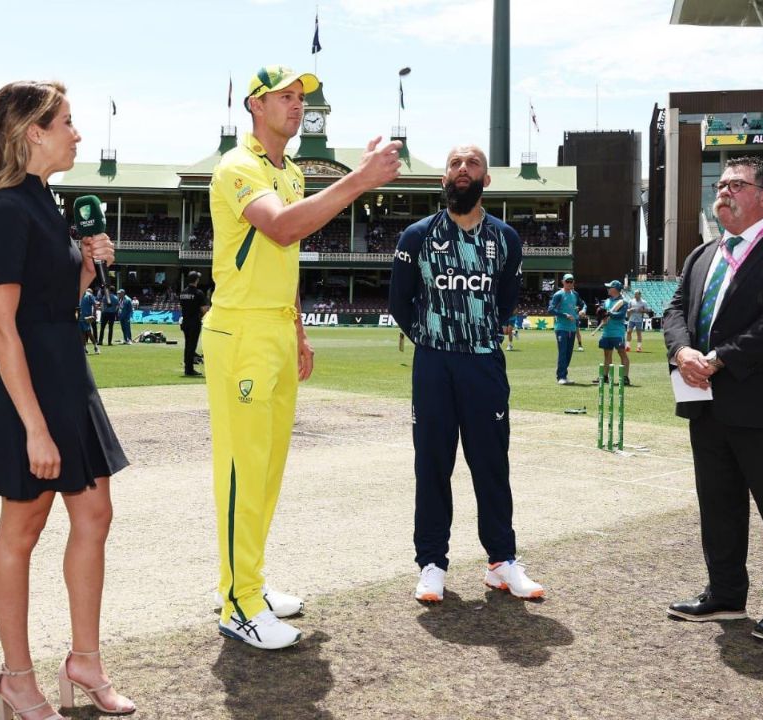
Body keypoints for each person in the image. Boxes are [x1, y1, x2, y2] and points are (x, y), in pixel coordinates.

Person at [205, 64, 401, 650]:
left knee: (266, 472)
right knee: (242, 473)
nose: (296, 105)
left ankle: (250, 584)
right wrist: (359, 181)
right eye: (285, 96)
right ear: (254, 105)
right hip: (240, 333)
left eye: (301, 98)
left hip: (274, 330)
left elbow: (283, 259)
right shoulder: (238, 167)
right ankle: (237, 605)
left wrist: (298, 331)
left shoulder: (287, 170)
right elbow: (284, 229)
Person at [0, 80, 134, 719]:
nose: (77, 133)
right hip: (31, 387)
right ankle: (16, 677)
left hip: (68, 374)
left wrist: (85, 269)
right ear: (33, 132)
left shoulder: (45, 202)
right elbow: (2, 327)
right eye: (66, 122)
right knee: (24, 527)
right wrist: (34, 427)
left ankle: (84, 662)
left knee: (95, 515)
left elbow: (53, 304)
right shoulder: (6, 209)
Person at [662, 156, 763, 645]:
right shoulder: (701, 255)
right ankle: (726, 594)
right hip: (707, 405)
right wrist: (682, 351)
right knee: (719, 508)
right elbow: (674, 310)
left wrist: (717, 359)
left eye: (736, 184)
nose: (723, 191)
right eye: (721, 185)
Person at [389, 144, 542, 605]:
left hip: (483, 363)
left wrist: (476, 336)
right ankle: (432, 564)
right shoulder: (417, 236)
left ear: (485, 180)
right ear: (444, 178)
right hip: (434, 363)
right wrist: (433, 339)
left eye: (472, 163)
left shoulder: (505, 238)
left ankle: (502, 562)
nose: (462, 169)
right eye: (454, 163)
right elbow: (400, 301)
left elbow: (506, 300)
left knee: (491, 464)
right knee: (432, 464)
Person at [592, 280, 631, 386]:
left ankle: (625, 377)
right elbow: (603, 314)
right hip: (606, 332)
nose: (608, 289)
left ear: (615, 289)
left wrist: (609, 313)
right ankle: (605, 376)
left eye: (610, 287)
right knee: (607, 354)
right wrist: (601, 313)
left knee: (622, 353)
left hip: (617, 333)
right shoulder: (607, 301)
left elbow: (621, 315)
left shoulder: (623, 302)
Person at [548, 273, 585, 384]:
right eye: (567, 281)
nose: (569, 283)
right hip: (561, 327)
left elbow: (583, 304)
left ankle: (564, 375)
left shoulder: (575, 294)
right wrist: (564, 315)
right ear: (563, 282)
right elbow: (550, 309)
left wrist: (583, 310)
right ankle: (561, 377)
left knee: (569, 353)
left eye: (571, 281)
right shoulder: (558, 295)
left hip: (572, 328)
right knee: (563, 352)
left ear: (573, 282)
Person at [179, 270, 208, 376]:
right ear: (196, 280)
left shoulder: (183, 293)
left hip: (185, 322)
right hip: (194, 322)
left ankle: (187, 367)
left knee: (187, 345)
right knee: (192, 346)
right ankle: (189, 369)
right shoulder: (198, 293)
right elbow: (204, 309)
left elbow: (181, 307)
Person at [78, 287, 100, 354]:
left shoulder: (89, 295)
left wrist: (94, 314)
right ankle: (84, 348)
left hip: (87, 317)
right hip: (80, 317)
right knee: (82, 334)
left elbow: (94, 304)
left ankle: (96, 347)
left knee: (89, 333)